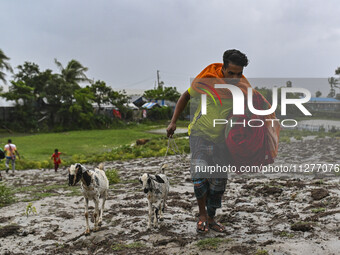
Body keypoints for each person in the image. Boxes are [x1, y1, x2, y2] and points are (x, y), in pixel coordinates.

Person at [167, 49, 249, 233]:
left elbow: (250, 111)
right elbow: (185, 96)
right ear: (223, 68)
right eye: (231, 73)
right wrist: (173, 122)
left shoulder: (242, 88)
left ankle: (211, 218)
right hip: (199, 134)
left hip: (222, 140)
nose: (235, 78)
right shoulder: (208, 80)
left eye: (239, 74)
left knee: (219, 182)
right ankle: (202, 215)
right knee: (199, 175)